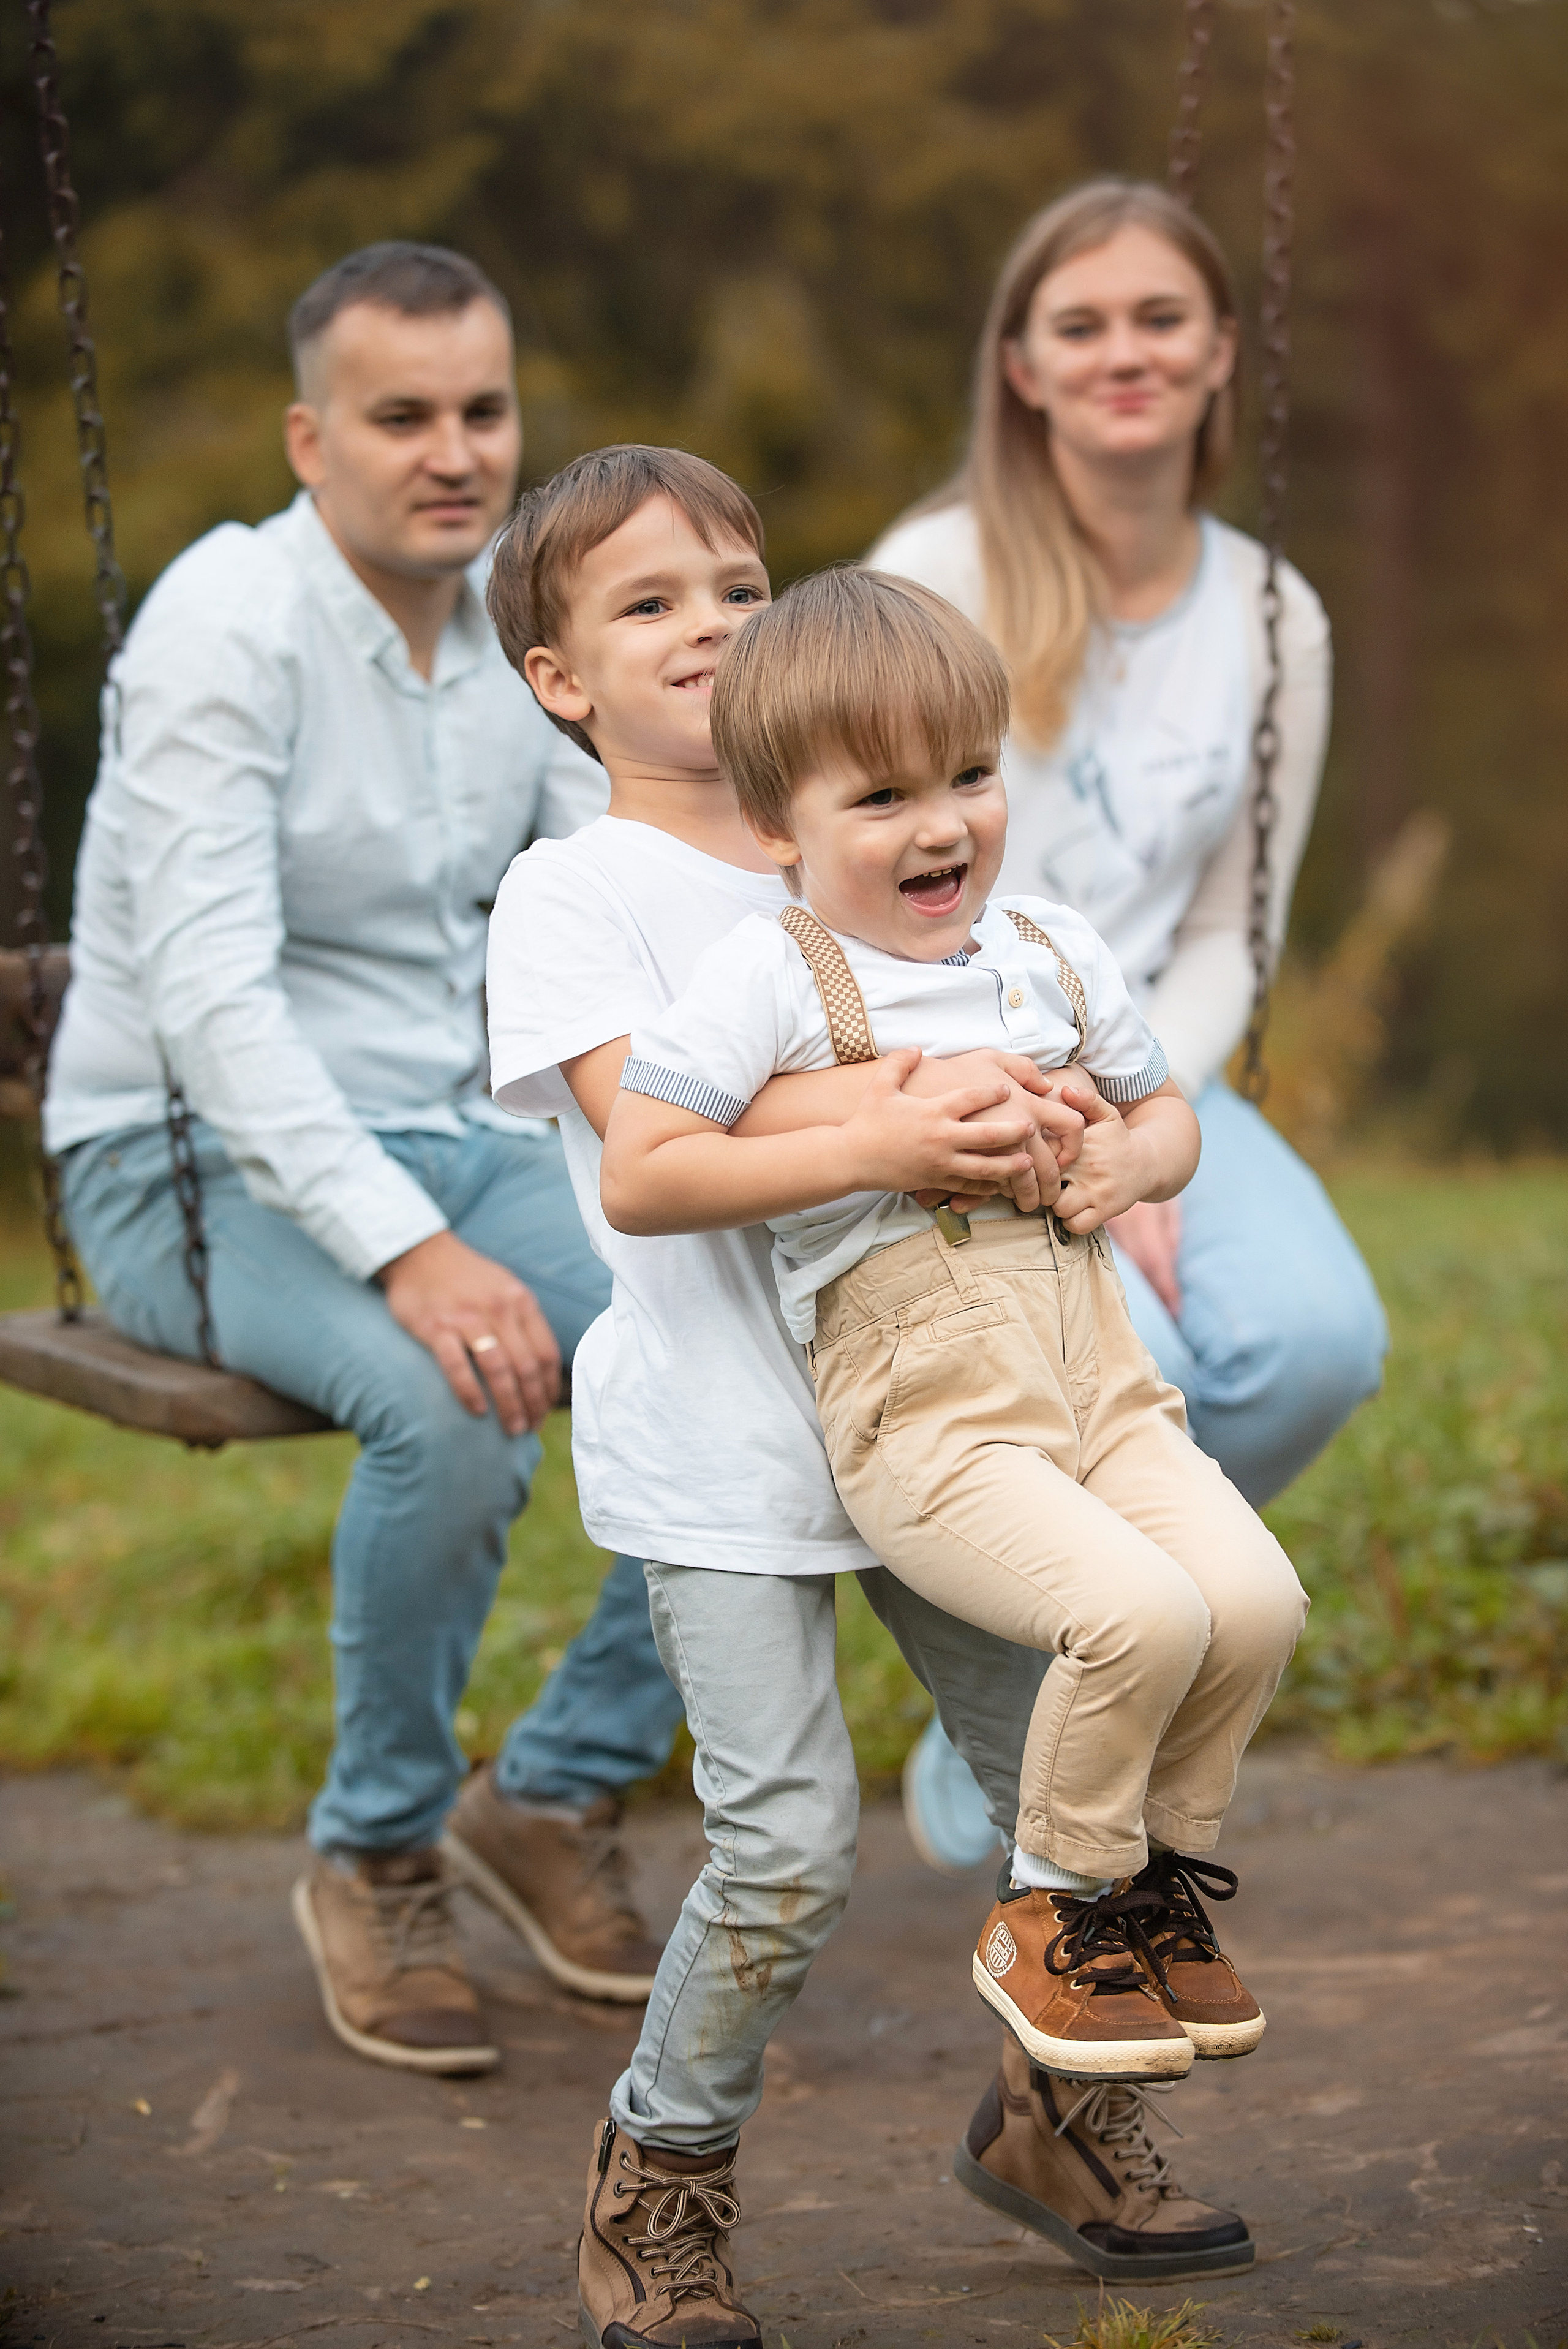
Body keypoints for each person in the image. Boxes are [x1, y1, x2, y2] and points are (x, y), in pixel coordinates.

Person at [484, 442, 1261, 2343]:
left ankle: (1056, 2115)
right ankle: (660, 2179)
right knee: (782, 1853)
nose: (711, 626)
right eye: (651, 602)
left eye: (739, 587)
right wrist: (916, 1116)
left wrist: (1080, 1121)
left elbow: (1054, 1041)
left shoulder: (895, 843)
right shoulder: (571, 892)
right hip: (731, 1441)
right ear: (558, 678)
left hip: (963, 1429)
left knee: (1065, 1786)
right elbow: (654, 1127)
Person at [42, 242, 690, 2076]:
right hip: (178, 1157)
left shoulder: (516, 619)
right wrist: (410, 1251)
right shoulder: (224, 625)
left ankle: (548, 1792)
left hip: (459, 1131)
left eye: (483, 409)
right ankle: (379, 1846)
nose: (454, 451)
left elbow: (607, 893)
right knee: (448, 1399)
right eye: (402, 416)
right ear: (309, 439)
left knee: (766, 1353)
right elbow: (210, 1000)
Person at [602, 566, 1307, 2090]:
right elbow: (641, 1171)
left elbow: (1165, 1114)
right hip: (931, 1416)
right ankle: (1053, 1910)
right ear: (776, 825)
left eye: (969, 777)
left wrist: (1132, 1164)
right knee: (1139, 1616)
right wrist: (870, 1146)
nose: (940, 827)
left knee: (1252, 1601)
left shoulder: (1050, 948)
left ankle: (1144, 1885)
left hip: (1102, 1382)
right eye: (882, 798)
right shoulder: (769, 976)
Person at [869, 176, 1387, 1868]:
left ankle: (1031, 1666)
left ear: (1221, 349)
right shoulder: (935, 573)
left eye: (1161, 318)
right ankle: (1051, 1670)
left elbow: (1237, 925)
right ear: (1021, 367)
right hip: (951, 1069)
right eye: (1080, 324)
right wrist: (1056, 1114)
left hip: (1157, 1058)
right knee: (1126, 1359)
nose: (1125, 353)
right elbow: (845, 876)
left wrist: (1143, 1114)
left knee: (1312, 1343)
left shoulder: (1271, 616)